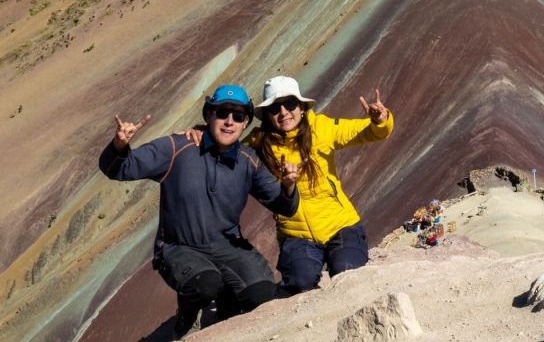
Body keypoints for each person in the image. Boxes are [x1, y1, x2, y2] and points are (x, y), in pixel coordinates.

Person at [99, 85, 301, 339]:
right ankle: (188, 313)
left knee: (261, 294)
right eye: (223, 113)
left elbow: (285, 206)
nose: (229, 121)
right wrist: (119, 145)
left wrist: (290, 186)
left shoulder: (249, 161)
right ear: (208, 116)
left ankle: (226, 308)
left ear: (246, 123)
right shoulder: (177, 147)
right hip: (178, 247)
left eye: (238, 116)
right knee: (204, 284)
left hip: (226, 246)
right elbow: (117, 169)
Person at [182, 75, 393, 295]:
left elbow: (370, 132)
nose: (283, 112)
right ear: (267, 115)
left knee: (348, 273)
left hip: (341, 225)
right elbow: (225, 150)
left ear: (301, 107)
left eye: (290, 104)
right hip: (296, 234)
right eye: (275, 108)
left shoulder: (321, 127)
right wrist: (201, 133)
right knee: (300, 284)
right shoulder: (258, 143)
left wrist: (380, 120)